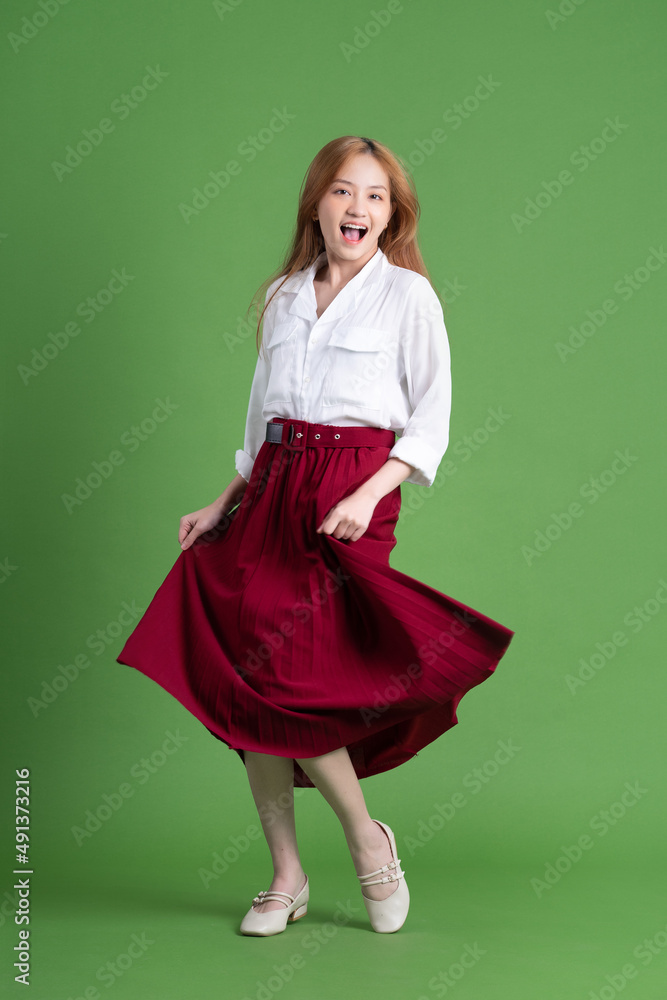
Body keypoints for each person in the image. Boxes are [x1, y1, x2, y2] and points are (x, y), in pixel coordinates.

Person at [115, 135, 515, 937]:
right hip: (274, 487)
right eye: (341, 191)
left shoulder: (409, 298)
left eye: (374, 196)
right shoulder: (283, 295)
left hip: (352, 491)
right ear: (316, 204)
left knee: (295, 675)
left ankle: (367, 842)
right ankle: (286, 877)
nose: (356, 208)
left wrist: (368, 496)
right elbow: (263, 418)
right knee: (245, 675)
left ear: (391, 213)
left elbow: (427, 423)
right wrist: (224, 498)